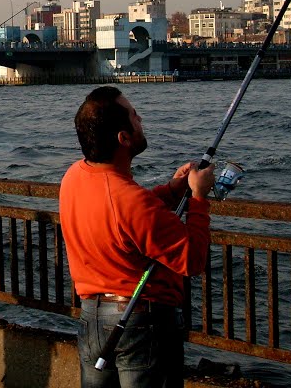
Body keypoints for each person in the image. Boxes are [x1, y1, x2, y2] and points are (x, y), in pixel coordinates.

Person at [60, 86, 215, 388]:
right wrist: (198, 197)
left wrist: (172, 189)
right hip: (141, 323)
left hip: (92, 317)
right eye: (133, 115)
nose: (140, 117)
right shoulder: (130, 201)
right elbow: (192, 260)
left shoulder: (74, 177)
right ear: (124, 138)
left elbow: (125, 216)